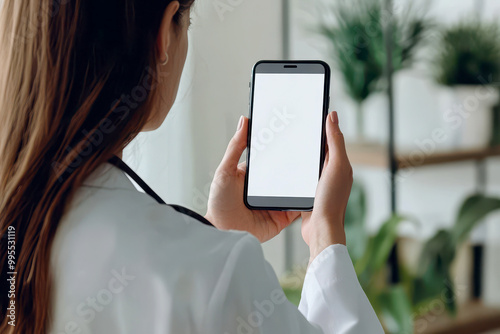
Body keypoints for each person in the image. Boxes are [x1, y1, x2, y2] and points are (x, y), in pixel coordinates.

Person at [0, 0, 384, 333]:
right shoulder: (219, 271)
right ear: (164, 35)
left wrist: (212, 234)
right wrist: (324, 234)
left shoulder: (15, 224)